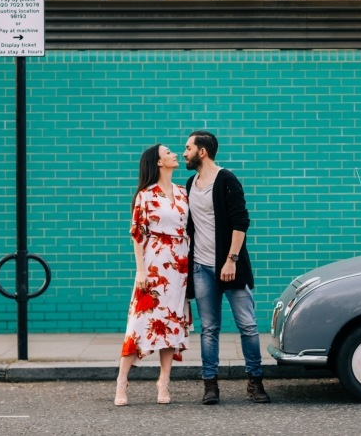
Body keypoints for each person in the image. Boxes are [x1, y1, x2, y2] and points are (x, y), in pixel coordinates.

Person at [183, 131, 270, 404]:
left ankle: (255, 382)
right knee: (208, 328)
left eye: (187, 148)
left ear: (203, 151)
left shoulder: (227, 179)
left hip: (230, 266)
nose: (184, 153)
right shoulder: (190, 183)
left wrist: (231, 260)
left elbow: (240, 222)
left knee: (248, 326)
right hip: (201, 268)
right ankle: (210, 385)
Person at [114, 144, 193, 406]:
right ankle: (122, 382)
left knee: (171, 322)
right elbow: (137, 233)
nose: (174, 155)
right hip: (154, 264)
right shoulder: (145, 195)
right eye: (169, 152)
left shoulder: (183, 192)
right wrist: (140, 270)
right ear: (158, 162)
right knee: (138, 324)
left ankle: (164, 382)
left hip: (179, 267)